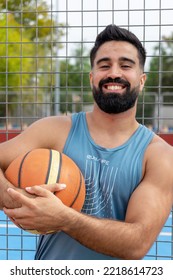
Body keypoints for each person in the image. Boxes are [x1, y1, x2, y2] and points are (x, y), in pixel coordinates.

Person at [0, 24, 173, 260]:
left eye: (125, 65)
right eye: (104, 65)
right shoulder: (54, 130)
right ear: (92, 77)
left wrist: (64, 218)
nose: (114, 73)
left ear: (142, 80)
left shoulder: (159, 155)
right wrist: (21, 200)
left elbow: (137, 243)